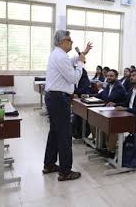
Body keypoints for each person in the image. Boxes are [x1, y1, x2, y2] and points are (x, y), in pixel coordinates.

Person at [42, 30, 92, 181]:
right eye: (69, 40)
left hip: (54, 97)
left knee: (55, 132)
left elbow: (72, 61)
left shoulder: (59, 55)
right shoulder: (60, 56)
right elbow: (73, 78)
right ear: (61, 42)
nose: (71, 42)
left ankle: (49, 164)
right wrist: (81, 63)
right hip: (59, 99)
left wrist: (82, 54)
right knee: (64, 134)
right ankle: (65, 171)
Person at [101, 70, 136, 158]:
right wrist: (115, 104)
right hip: (129, 117)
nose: (131, 77)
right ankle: (106, 146)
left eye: (134, 75)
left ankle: (111, 151)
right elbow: (126, 103)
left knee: (113, 125)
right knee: (105, 122)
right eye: (130, 76)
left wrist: (125, 109)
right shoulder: (131, 90)